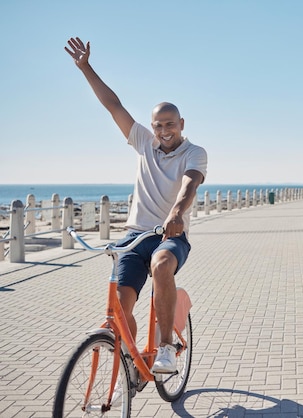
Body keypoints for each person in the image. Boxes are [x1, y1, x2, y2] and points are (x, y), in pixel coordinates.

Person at [65, 37, 208, 374]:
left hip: (169, 236)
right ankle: (131, 364)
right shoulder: (145, 142)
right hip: (133, 237)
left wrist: (175, 214)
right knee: (120, 306)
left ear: (182, 124)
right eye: (158, 125)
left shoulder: (194, 153)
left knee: (161, 264)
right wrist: (86, 67)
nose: (163, 131)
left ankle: (166, 348)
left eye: (170, 124)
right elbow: (113, 104)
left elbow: (189, 184)